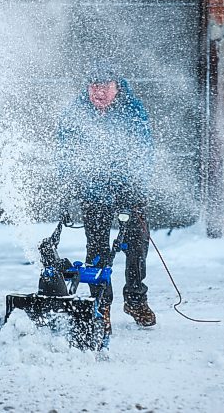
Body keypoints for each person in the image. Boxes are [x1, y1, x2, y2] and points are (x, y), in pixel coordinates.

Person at [56, 61, 156, 332]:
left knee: (137, 246)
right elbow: (64, 152)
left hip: (128, 192)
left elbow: (144, 152)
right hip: (94, 193)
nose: (98, 92)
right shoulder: (76, 113)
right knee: (98, 250)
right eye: (93, 86)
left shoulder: (133, 112)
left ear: (117, 87)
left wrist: (137, 186)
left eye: (105, 86)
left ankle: (135, 300)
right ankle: (101, 305)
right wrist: (68, 185)